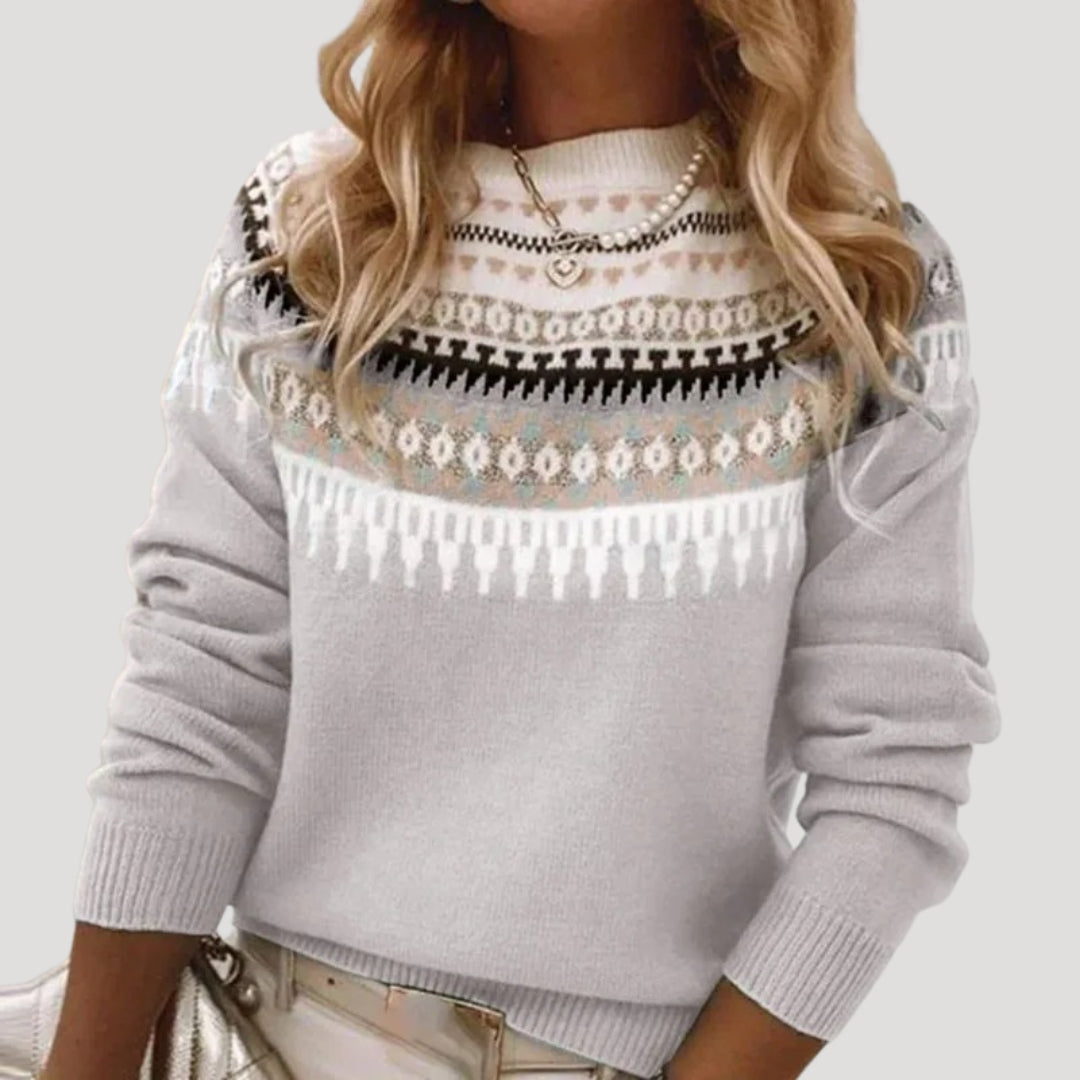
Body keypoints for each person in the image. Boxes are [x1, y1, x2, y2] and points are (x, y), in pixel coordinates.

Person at [28, 1, 1002, 1078]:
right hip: (254, 1039)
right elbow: (199, 694)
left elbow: (892, 782)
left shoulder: (862, 291)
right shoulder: (310, 235)